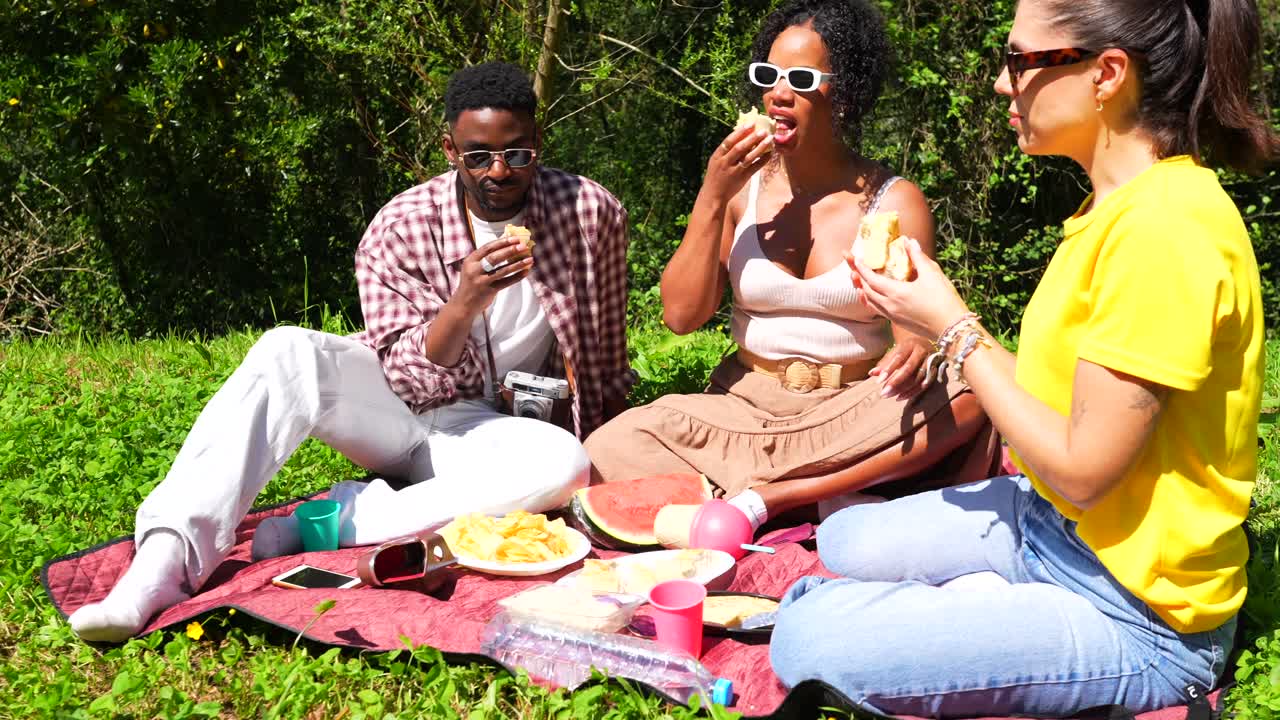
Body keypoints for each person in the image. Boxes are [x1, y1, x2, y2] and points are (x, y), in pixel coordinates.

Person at [770, 0, 1277, 714]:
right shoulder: (1113, 210)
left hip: (1139, 614)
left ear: (1106, 74)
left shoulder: (1167, 232)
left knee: (805, 642)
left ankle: (982, 616)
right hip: (1052, 526)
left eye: (1019, 60)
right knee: (844, 537)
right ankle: (983, 609)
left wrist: (951, 326)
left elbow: (1083, 470)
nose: (1003, 85)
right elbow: (1057, 413)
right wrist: (934, 315)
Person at [69, 62, 634, 642]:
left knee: (564, 463)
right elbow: (411, 381)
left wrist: (615, 452)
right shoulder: (402, 224)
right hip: (395, 405)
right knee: (286, 349)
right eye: (477, 155)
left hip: (491, 429)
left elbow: (604, 354)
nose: (498, 171)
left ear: (537, 143)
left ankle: (341, 520)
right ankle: (162, 562)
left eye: (517, 154)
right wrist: (464, 303)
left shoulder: (590, 213)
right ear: (449, 148)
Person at [584, 0, 999, 530]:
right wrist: (712, 195)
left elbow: (914, 335)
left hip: (846, 409)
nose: (778, 94)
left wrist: (916, 346)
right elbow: (681, 317)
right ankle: (834, 496)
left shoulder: (894, 203)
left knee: (968, 392)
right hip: (742, 409)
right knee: (607, 446)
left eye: (800, 79)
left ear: (844, 94)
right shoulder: (738, 193)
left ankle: (772, 497)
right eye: (768, 76)